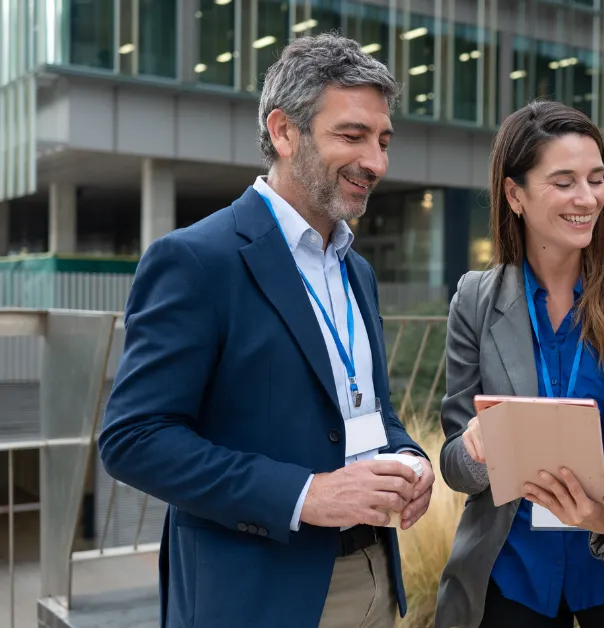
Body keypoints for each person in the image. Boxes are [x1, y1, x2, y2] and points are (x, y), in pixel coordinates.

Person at [98, 33, 436, 628]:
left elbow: (365, 407)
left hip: (375, 580)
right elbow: (134, 439)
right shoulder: (197, 260)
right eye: (352, 136)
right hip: (255, 596)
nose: (376, 163)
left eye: (383, 141)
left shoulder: (357, 270)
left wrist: (408, 456)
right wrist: (307, 494)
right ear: (283, 132)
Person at [434, 99, 604, 628]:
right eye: (565, 181)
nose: (587, 198)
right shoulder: (475, 300)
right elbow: (455, 465)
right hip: (510, 579)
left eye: (596, 180)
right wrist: (480, 449)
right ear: (515, 194)